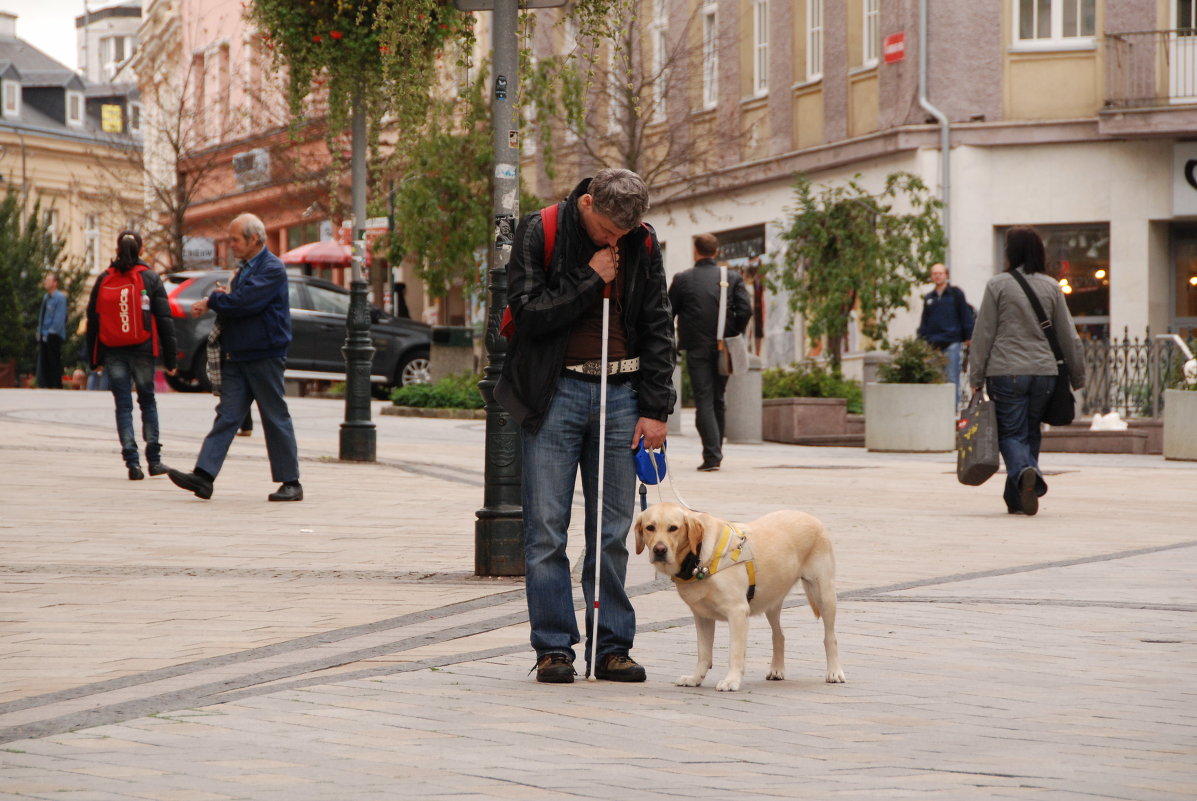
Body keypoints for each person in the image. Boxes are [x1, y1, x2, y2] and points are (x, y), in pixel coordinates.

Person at [495, 168, 675, 684]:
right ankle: (554, 647)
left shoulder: (641, 240)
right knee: (546, 530)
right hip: (556, 392)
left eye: (624, 235)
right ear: (588, 203)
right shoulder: (542, 229)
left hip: (621, 393)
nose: (617, 242)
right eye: (609, 232)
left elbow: (659, 323)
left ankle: (613, 645)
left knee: (613, 530)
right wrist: (591, 277)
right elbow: (527, 314)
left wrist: (656, 408)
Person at [166, 213, 303, 502]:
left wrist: (215, 300)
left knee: (274, 416)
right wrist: (218, 300)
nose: (231, 245)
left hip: (264, 354)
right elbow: (236, 302)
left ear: (255, 239)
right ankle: (204, 476)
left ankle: (291, 482)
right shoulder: (243, 270)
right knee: (227, 416)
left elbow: (245, 303)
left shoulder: (272, 268)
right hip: (238, 355)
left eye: (235, 239)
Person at [968, 226, 1085, 516]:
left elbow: (983, 333)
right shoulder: (1051, 286)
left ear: (1011, 252)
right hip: (1045, 374)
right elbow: (1068, 335)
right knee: (1030, 432)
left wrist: (976, 377)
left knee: (1010, 433)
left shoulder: (998, 285)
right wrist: (1078, 375)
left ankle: (1027, 471)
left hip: (1007, 372)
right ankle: (1018, 497)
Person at [86, 231, 178, 479]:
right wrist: (171, 360)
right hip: (143, 350)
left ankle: (132, 463)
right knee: (147, 401)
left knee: (123, 405)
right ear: (141, 248)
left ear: (117, 248)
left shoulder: (104, 278)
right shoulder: (150, 278)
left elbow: (93, 321)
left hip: (113, 350)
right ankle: (155, 461)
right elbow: (165, 320)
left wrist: (94, 359)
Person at [668, 233, 752, 471]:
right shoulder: (731, 277)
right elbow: (745, 310)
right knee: (718, 398)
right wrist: (732, 333)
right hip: (723, 347)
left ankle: (712, 455)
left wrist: (671, 342)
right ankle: (715, 452)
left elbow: (667, 312)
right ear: (716, 252)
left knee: (704, 399)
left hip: (696, 348)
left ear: (696, 251)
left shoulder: (683, 279)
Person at [917, 262, 973, 404]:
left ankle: (952, 413)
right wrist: (920, 341)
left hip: (952, 342)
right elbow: (925, 321)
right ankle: (937, 410)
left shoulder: (955, 294)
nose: (937, 276)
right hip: (933, 344)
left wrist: (969, 337)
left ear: (946, 275)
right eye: (934, 274)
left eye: (940, 273)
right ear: (931, 276)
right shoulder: (929, 298)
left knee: (952, 379)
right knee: (935, 379)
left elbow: (965, 315)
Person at [36, 271, 68, 389]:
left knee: (54, 360)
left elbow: (60, 317)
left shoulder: (59, 298)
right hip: (44, 333)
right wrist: (39, 331)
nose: (46, 282)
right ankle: (45, 383)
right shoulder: (46, 297)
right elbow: (42, 315)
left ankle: (55, 385)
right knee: (44, 360)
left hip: (54, 334)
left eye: (48, 280)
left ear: (55, 283)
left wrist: (52, 331)